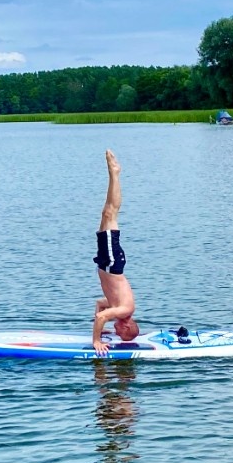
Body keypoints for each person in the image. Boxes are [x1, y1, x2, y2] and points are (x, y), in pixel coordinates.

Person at [92, 150, 139, 355]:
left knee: (106, 213)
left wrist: (101, 332)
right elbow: (101, 317)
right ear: (126, 326)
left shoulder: (118, 308)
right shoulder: (125, 311)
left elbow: (100, 306)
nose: (117, 332)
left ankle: (114, 173)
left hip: (108, 263)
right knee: (111, 212)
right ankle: (115, 173)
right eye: (120, 333)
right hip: (112, 263)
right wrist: (96, 341)